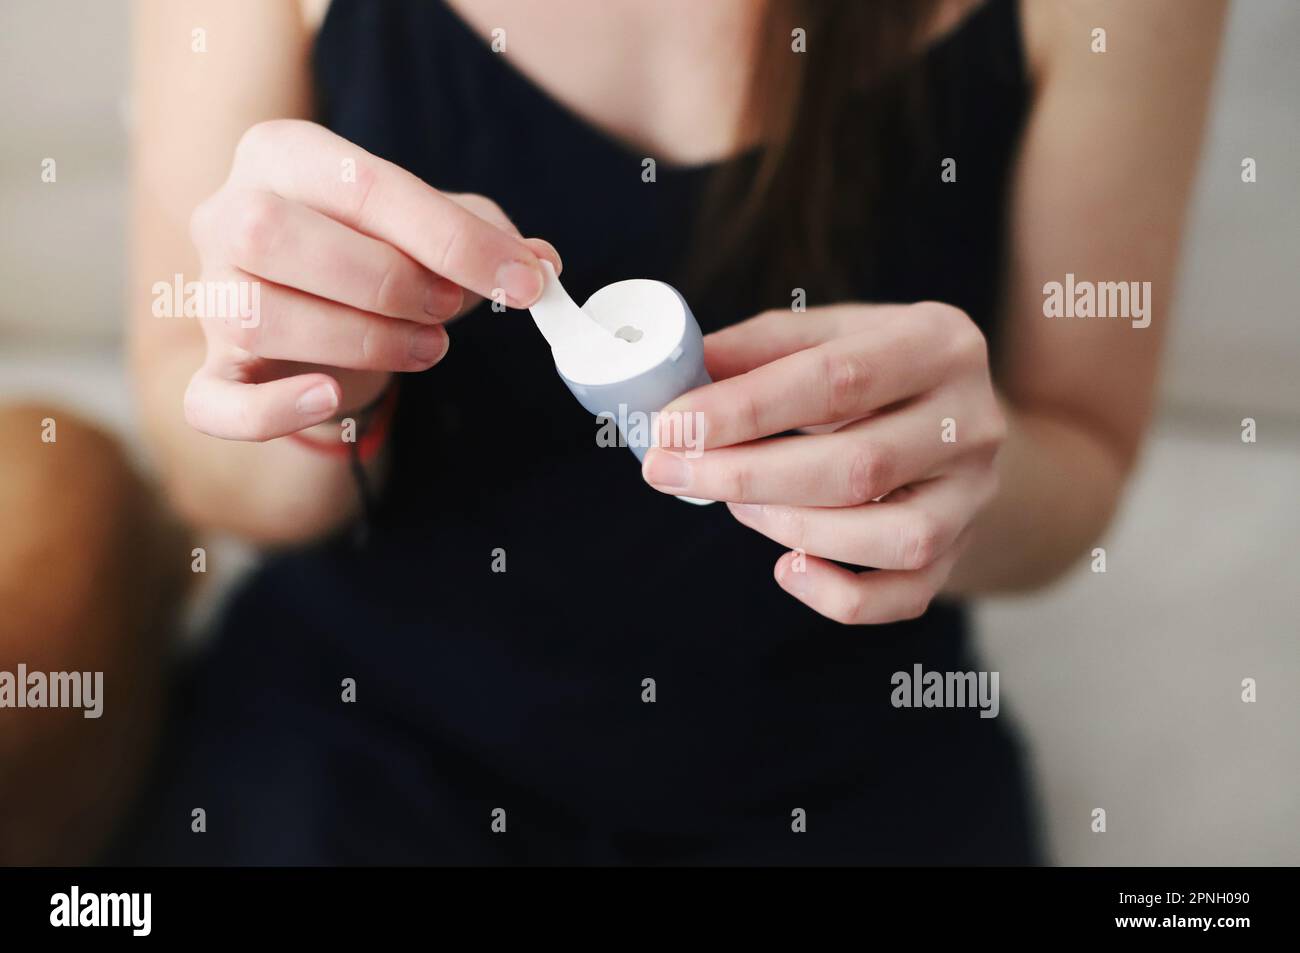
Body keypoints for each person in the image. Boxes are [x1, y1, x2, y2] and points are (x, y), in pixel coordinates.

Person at [120, 0, 1225, 863]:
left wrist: (943, 488)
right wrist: (324, 394)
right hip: (366, 733)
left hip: (841, 766)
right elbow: (210, 467)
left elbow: (1077, 467)